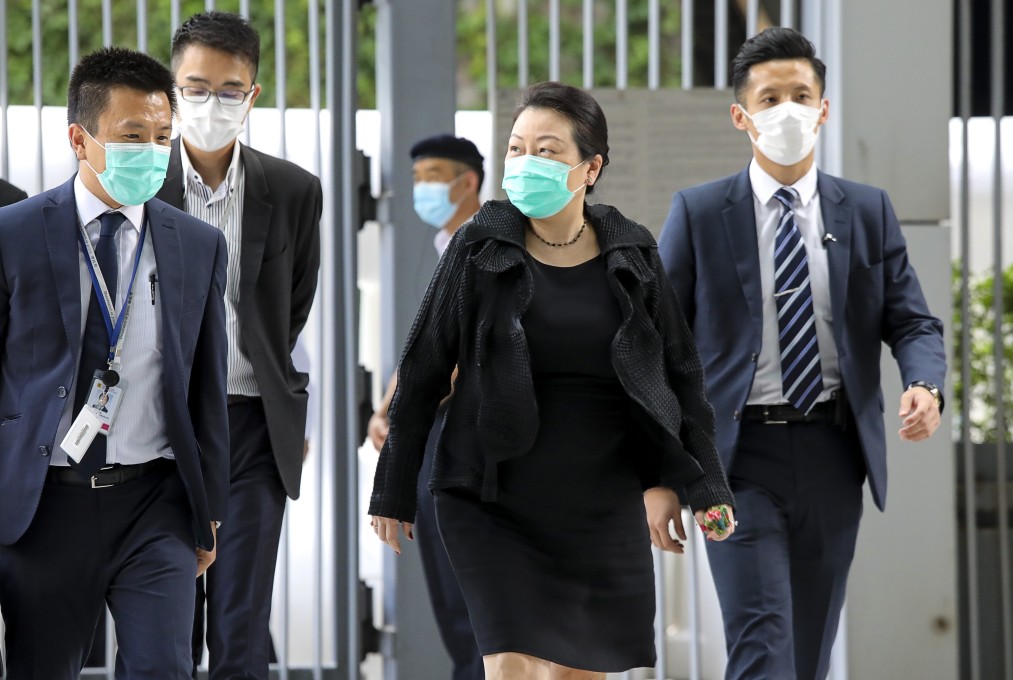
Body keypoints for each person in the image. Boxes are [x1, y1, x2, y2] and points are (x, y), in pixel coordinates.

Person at [369, 81, 735, 680]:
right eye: (517, 148)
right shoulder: (477, 245)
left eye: (546, 150)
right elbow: (424, 367)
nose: (525, 162)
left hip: (600, 502)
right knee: (510, 665)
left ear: (590, 168)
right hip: (491, 494)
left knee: (577, 673)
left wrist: (701, 484)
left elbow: (680, 375)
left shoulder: (634, 253)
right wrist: (393, 486)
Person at [657, 27, 947, 680]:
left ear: (823, 108)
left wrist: (925, 385)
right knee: (762, 642)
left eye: (801, 95)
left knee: (808, 653)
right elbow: (658, 345)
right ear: (741, 116)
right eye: (769, 98)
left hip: (832, 455)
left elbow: (913, 321)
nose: (786, 110)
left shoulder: (866, 211)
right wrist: (660, 475)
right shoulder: (699, 212)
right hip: (732, 460)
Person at [0, 46, 229, 679]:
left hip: (155, 502)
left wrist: (208, 507)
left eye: (162, 137)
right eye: (132, 137)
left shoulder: (198, 244)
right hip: (43, 506)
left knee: (164, 668)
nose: (151, 152)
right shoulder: (14, 234)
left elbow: (206, 386)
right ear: (80, 138)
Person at [154, 11, 322, 679]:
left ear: (252, 95)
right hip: (159, 426)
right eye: (196, 88)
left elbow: (290, 311)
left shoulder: (294, 190)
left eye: (229, 90)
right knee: (164, 622)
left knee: (241, 621)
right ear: (172, 91)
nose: (211, 104)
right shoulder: (142, 182)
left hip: (251, 425)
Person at [367, 133, 486, 680]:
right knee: (449, 592)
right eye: (416, 179)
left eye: (432, 177)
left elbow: (459, 354)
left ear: (468, 182)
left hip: (471, 440)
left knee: (471, 592)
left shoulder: (487, 246)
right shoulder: (447, 245)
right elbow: (426, 346)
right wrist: (386, 408)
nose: (422, 189)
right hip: (438, 437)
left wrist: (405, 411)